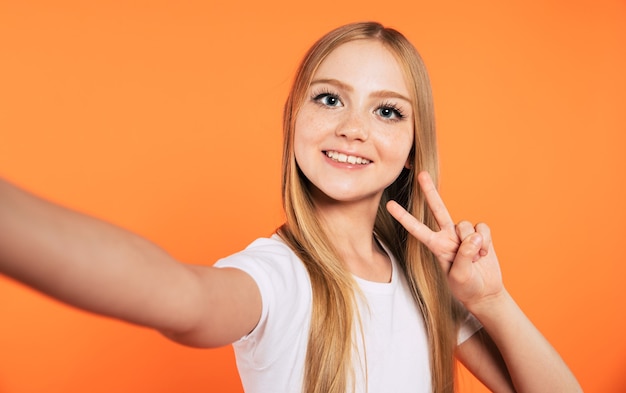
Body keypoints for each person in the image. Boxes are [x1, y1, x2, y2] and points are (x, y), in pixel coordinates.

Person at [0, 21, 581, 393]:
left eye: (387, 111)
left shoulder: (426, 281)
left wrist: (491, 301)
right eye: (330, 99)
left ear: (410, 149)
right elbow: (180, 293)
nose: (353, 128)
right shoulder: (277, 278)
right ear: (295, 121)